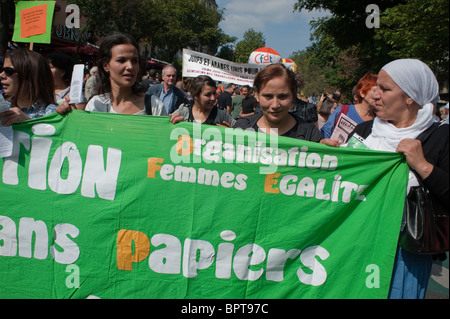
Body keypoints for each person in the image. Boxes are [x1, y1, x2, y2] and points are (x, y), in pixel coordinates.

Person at [349, 59, 448, 299]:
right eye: (376, 88)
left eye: (384, 88)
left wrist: (423, 167)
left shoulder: (441, 137)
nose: (374, 95)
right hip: (355, 245)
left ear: (410, 97)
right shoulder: (365, 132)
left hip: (407, 253)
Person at [234, 64, 322, 142]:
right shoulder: (242, 128)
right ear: (257, 95)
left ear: (293, 96)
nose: (275, 105)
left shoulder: (310, 135)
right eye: (268, 96)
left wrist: (325, 151)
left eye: (282, 96)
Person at [0, 49, 57, 125]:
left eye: (8, 71)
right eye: (2, 70)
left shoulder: (52, 112)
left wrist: (28, 122)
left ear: (30, 75)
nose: (1, 75)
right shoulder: (3, 107)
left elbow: (53, 135)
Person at [321, 72, 378, 139]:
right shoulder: (342, 110)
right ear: (362, 93)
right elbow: (325, 134)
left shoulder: (377, 122)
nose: (379, 95)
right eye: (375, 91)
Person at [170, 75, 235, 127]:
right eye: (208, 95)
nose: (213, 98)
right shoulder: (183, 111)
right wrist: (175, 123)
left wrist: (230, 131)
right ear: (196, 95)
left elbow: (240, 131)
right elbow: (165, 127)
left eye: (214, 94)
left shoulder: (221, 115)